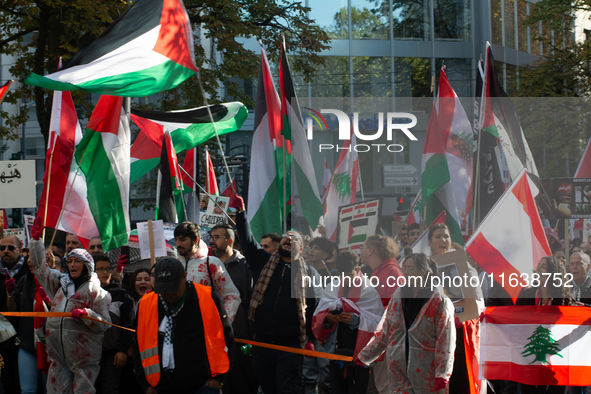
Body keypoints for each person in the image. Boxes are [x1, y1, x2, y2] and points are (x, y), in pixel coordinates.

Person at [231, 194, 322, 394]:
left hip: (290, 346)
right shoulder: (261, 262)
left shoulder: (309, 274)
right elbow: (246, 239)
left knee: (287, 389)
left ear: (302, 248)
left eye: (294, 239)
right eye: (285, 238)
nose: (288, 239)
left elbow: (314, 306)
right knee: (268, 389)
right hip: (261, 343)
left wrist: (310, 339)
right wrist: (240, 214)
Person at [29, 219, 111, 394]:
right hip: (58, 355)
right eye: (70, 261)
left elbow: (104, 323)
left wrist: (87, 314)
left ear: (87, 266)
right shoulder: (60, 283)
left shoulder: (96, 291)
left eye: (77, 261)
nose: (73, 265)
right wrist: (35, 241)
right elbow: (39, 268)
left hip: (83, 357)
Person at [356, 253, 456, 393]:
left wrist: (443, 373)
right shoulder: (398, 296)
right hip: (397, 368)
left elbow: (445, 340)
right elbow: (385, 330)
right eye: (405, 269)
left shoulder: (439, 301)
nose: (406, 273)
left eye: (411, 269)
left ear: (424, 271)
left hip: (427, 369)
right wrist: (366, 355)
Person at [133, 258, 234, 394]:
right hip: (160, 386)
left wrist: (219, 379)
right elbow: (138, 345)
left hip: (202, 385)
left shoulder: (207, 298)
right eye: (163, 289)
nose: (168, 294)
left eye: (172, 289)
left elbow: (227, 337)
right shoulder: (145, 303)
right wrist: (145, 384)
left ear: (184, 277)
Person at [312, 251, 383, 394]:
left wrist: (356, 320)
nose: (345, 280)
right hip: (335, 352)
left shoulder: (369, 290)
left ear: (358, 270)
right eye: (341, 275)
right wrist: (329, 318)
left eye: (349, 276)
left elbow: (378, 323)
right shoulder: (332, 287)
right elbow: (318, 316)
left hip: (359, 357)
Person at [428, 224, 484, 394]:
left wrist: (465, 314)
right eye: (438, 236)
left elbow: (478, 301)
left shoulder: (465, 268)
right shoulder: (423, 269)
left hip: (459, 334)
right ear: (430, 242)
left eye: (446, 236)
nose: (443, 240)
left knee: (459, 380)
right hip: (431, 336)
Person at [209, 224, 257, 394]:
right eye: (211, 236)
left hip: (238, 336)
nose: (211, 241)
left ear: (229, 241)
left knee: (240, 383)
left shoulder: (245, 266)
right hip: (211, 336)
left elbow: (252, 301)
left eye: (216, 237)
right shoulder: (206, 266)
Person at [516, 256, 571, 394]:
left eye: (544, 266)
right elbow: (513, 320)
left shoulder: (563, 299)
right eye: (538, 266)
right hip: (529, 359)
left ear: (553, 273)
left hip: (556, 360)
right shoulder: (526, 294)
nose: (538, 269)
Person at [174, 222, 241, 323]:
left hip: (205, 329)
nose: (178, 244)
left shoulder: (211, 263)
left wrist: (222, 325)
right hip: (178, 328)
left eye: (182, 239)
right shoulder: (175, 264)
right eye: (176, 240)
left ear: (195, 240)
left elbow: (232, 296)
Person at [7, 244, 49, 394]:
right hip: (27, 345)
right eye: (29, 256)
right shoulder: (24, 280)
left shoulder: (56, 280)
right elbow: (13, 311)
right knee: (27, 390)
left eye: (35, 256)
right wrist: (10, 293)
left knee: (49, 389)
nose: (30, 260)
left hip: (50, 347)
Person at [94, 254, 135, 394]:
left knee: (110, 389)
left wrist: (122, 350)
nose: (105, 272)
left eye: (107, 268)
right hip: (90, 353)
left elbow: (128, 324)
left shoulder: (122, 295)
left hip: (112, 354)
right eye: (100, 269)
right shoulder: (85, 294)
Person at [0, 235, 31, 394]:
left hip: (23, 338)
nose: (6, 251)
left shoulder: (29, 271)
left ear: (20, 250)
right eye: (2, 248)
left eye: (10, 248)